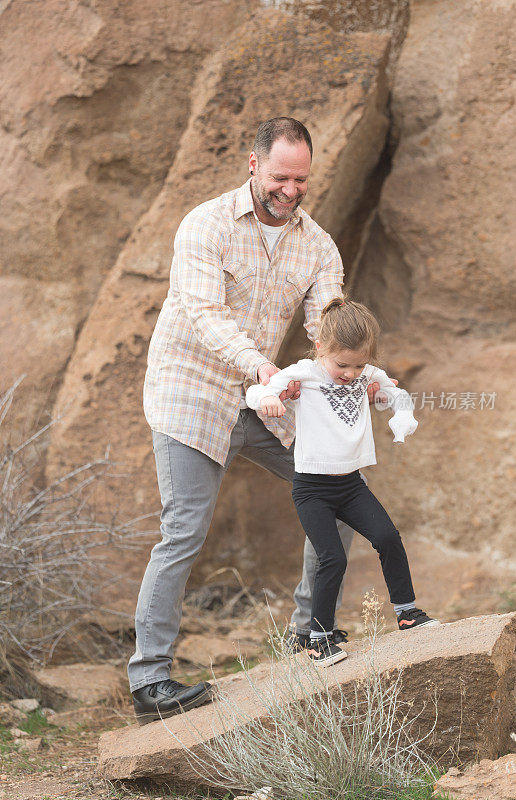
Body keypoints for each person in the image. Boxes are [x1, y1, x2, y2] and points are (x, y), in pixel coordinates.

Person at [130, 117, 390, 724]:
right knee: (184, 531)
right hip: (191, 394)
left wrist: (367, 376)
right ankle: (150, 682)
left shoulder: (318, 245)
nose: (291, 190)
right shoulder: (205, 225)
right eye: (280, 177)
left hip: (265, 398)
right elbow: (204, 316)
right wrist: (263, 373)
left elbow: (330, 330)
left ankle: (310, 633)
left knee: (347, 495)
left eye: (301, 179)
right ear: (253, 164)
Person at [246, 298, 440, 667]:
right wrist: (269, 398)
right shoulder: (305, 373)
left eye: (359, 364)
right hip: (312, 489)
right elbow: (259, 390)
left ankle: (407, 612)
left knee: (387, 538)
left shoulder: (367, 375)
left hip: (351, 485)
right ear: (321, 348)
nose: (350, 373)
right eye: (342, 364)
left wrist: (399, 412)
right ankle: (318, 637)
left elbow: (396, 394)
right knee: (331, 557)